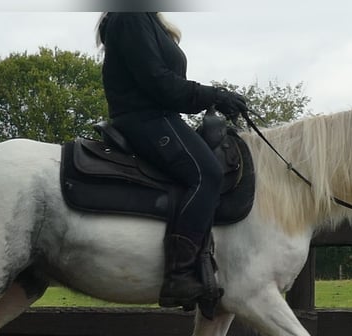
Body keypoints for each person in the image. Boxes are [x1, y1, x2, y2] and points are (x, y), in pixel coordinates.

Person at [96, 12, 248, 311]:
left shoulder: (148, 19)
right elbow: (159, 82)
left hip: (162, 117)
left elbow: (169, 85)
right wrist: (214, 95)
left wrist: (212, 97)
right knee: (207, 174)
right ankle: (179, 274)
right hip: (145, 119)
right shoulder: (130, 17)